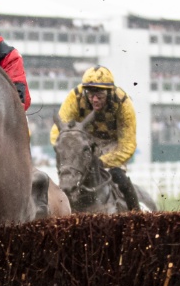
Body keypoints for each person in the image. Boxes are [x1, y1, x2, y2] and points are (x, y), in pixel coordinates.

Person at [49, 65, 140, 210]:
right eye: (91, 94)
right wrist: (69, 150)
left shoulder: (123, 103)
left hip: (113, 145)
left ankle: (137, 215)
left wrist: (100, 162)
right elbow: (58, 132)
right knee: (68, 179)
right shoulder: (76, 96)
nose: (95, 99)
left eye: (100, 95)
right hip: (83, 144)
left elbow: (128, 145)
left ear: (109, 92)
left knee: (120, 179)